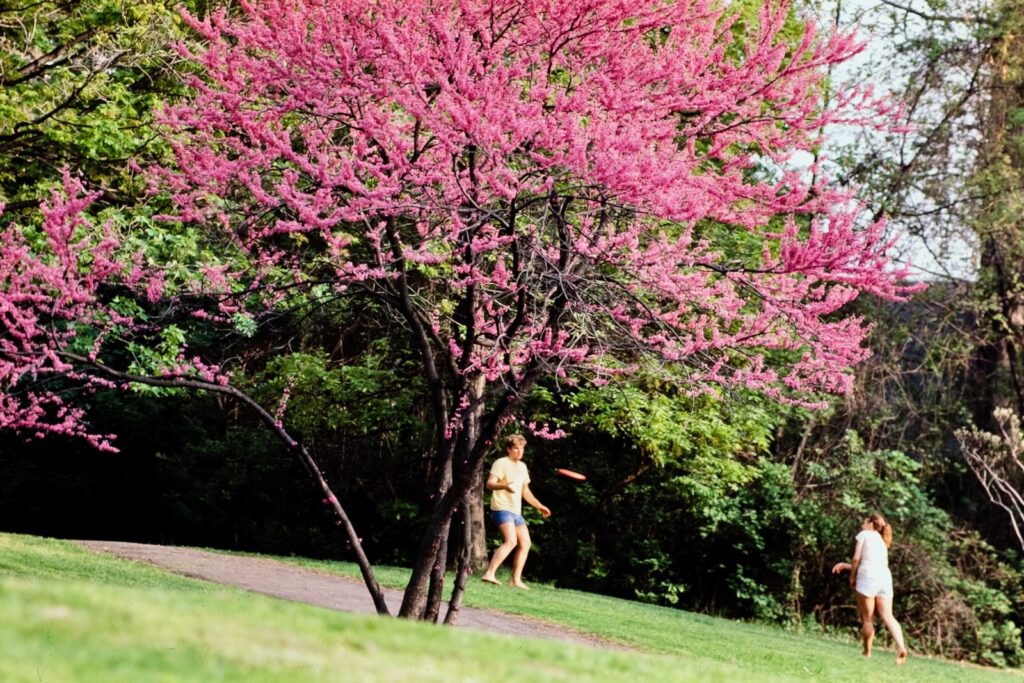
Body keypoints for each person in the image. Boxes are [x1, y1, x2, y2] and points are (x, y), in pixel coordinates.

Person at [831, 513, 908, 665]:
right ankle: (901, 648)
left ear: (870, 523)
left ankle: (867, 653)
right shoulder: (882, 540)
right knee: (888, 616)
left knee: (867, 619)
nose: (862, 524)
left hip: (868, 578)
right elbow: (869, 563)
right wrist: (846, 566)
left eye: (864, 521)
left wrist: (851, 577)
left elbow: (856, 559)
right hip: (884, 577)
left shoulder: (864, 534)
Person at [480, 434, 551, 589]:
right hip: (501, 508)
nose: (520, 452)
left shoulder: (523, 467)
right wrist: (504, 486)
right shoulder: (501, 463)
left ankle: (515, 580)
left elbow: (525, 491)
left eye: (522, 448)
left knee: (525, 543)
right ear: (509, 449)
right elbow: (490, 484)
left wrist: (539, 506)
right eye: (516, 448)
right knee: (511, 541)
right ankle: (489, 573)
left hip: (516, 511)